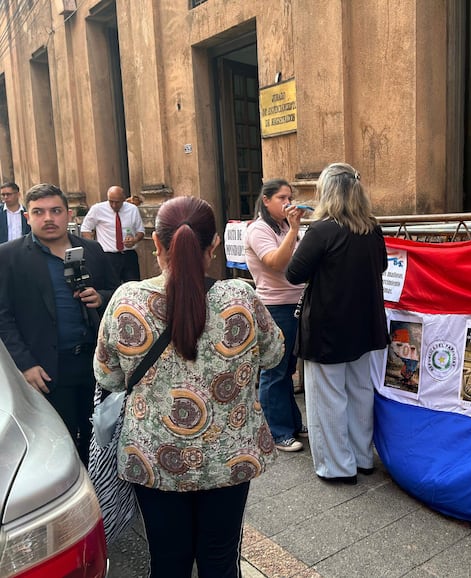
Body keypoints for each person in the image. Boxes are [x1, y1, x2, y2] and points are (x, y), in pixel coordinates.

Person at [94, 195, 284, 578]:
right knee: (220, 558)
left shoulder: (126, 301)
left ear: (156, 242)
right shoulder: (240, 298)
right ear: (214, 244)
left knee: (167, 560)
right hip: (228, 458)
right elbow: (274, 354)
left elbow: (108, 377)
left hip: (153, 458)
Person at [286, 162, 389, 485]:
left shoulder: (322, 230)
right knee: (360, 392)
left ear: (326, 193)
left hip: (328, 327)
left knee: (328, 398)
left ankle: (337, 466)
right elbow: (382, 266)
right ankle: (362, 457)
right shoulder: (371, 229)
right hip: (365, 324)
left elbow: (294, 274)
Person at [0, 183, 118, 463]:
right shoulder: (9, 256)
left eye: (55, 211)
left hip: (95, 364)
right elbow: (3, 316)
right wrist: (25, 364)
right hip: (46, 368)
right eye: (39, 212)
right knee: (59, 445)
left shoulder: (92, 250)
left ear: (68, 214)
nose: (48, 218)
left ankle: (98, 487)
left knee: (99, 438)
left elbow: (118, 293)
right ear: (27, 217)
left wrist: (101, 297)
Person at [244, 178, 309, 452]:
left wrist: (294, 229)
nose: (288, 203)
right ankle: (276, 431)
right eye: (282, 198)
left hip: (296, 303)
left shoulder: (284, 227)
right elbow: (277, 263)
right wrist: (294, 229)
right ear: (266, 200)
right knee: (274, 370)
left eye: (289, 197)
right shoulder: (259, 229)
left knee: (287, 369)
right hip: (275, 307)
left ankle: (291, 422)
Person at [80, 185, 145, 282]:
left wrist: (134, 240)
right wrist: (94, 248)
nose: (114, 205)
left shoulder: (132, 209)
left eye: (117, 202)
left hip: (128, 255)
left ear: (123, 199)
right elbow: (85, 228)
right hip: (108, 256)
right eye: (111, 201)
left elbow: (141, 231)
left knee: (132, 285)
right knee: (110, 286)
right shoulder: (97, 209)